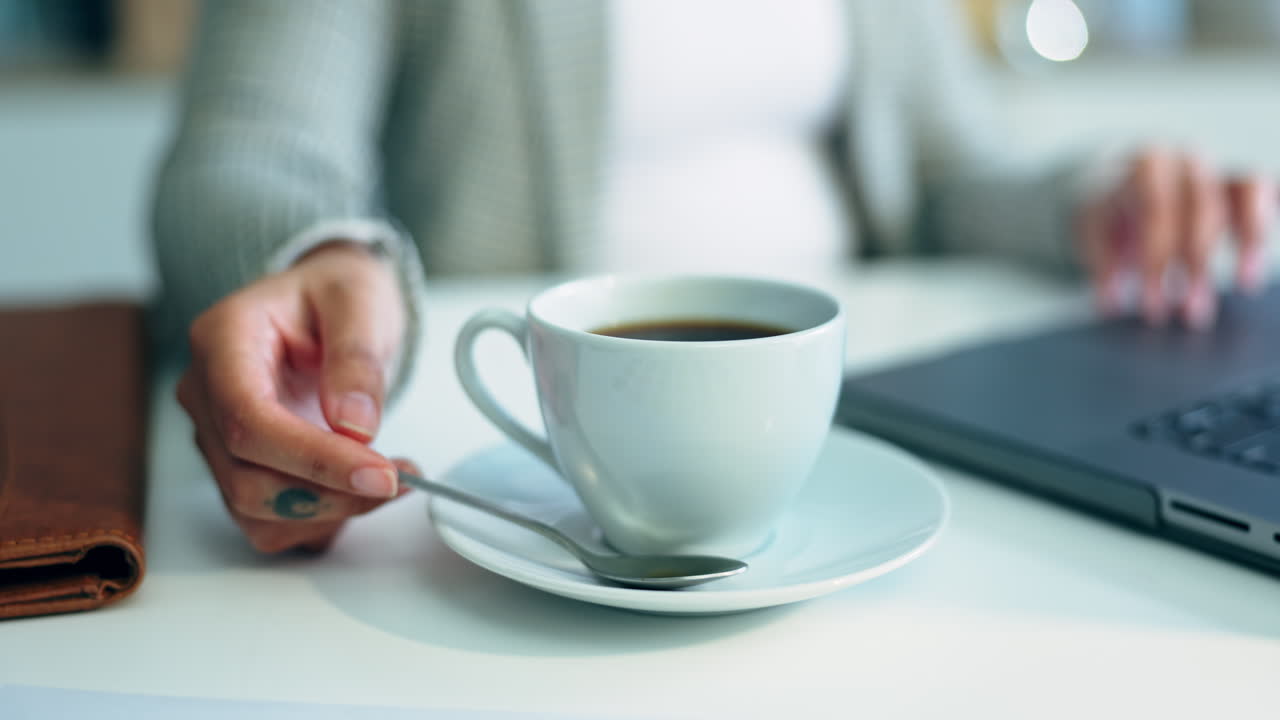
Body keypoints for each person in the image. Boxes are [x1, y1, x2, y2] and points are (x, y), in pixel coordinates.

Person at [152, 0, 1276, 554]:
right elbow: (248, 144)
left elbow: (949, 171)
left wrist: (1092, 198)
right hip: (519, 462)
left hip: (874, 421)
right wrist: (318, 256)